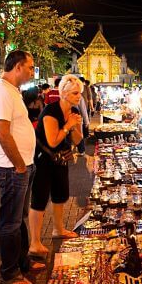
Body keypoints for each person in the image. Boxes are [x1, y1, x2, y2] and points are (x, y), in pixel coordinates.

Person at [0, 50, 40, 284]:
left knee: (19, 219)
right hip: (12, 168)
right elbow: (2, 133)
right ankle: (9, 271)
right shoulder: (1, 92)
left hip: (23, 165)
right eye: (30, 67)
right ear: (18, 66)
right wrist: (18, 164)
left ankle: (23, 263)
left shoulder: (12, 92)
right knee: (10, 221)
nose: (32, 71)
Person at [29, 75, 83, 257]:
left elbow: (78, 140)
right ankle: (34, 242)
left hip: (61, 159)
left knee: (60, 195)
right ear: (64, 93)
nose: (79, 96)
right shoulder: (51, 111)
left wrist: (75, 127)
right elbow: (52, 141)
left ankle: (58, 229)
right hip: (43, 160)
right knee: (40, 199)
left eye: (80, 93)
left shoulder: (74, 112)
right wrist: (68, 126)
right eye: (75, 93)